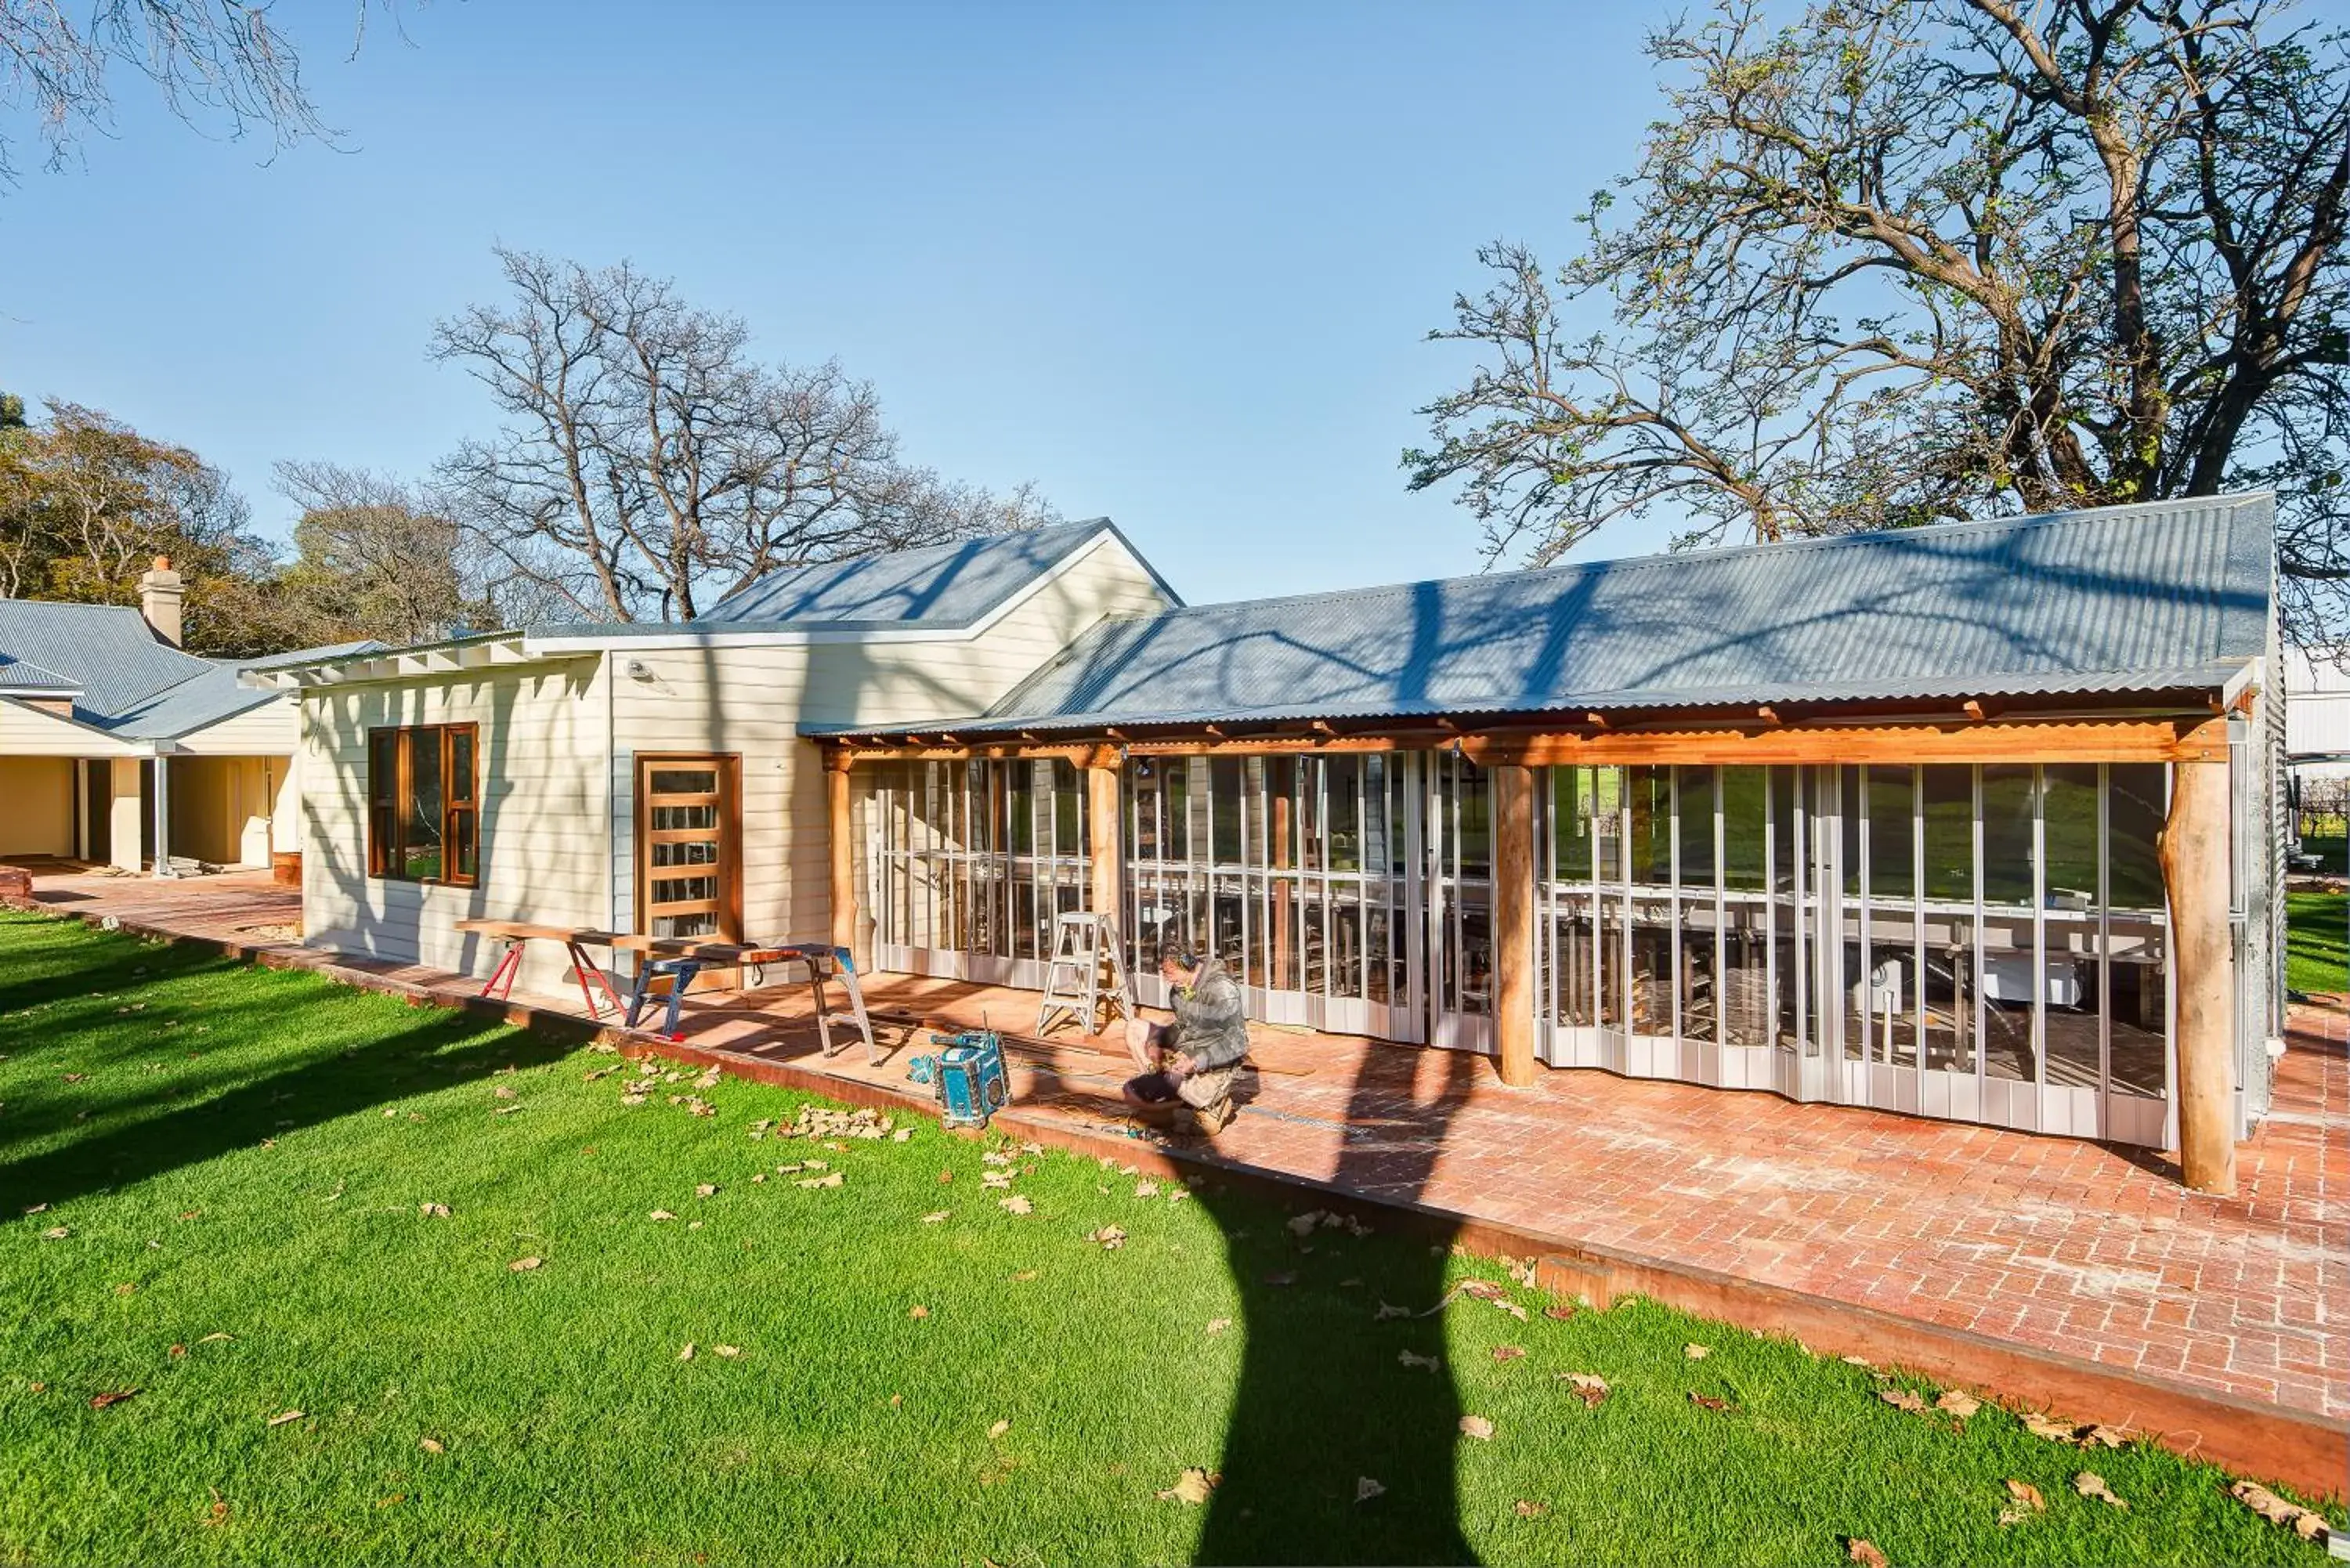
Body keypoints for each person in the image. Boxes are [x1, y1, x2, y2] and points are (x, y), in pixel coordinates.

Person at [1121, 938, 1249, 1135]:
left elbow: (1238, 1043)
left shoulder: (1222, 989)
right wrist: (1158, 1042)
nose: (1167, 980)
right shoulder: (1178, 990)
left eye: (1170, 973)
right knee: (1134, 1029)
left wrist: (1195, 1061)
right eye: (1164, 973)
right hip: (1188, 1050)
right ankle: (1163, 1102)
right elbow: (1183, 1025)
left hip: (1215, 1061)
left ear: (1187, 964)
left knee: (1201, 1128)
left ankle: (1215, 1105)